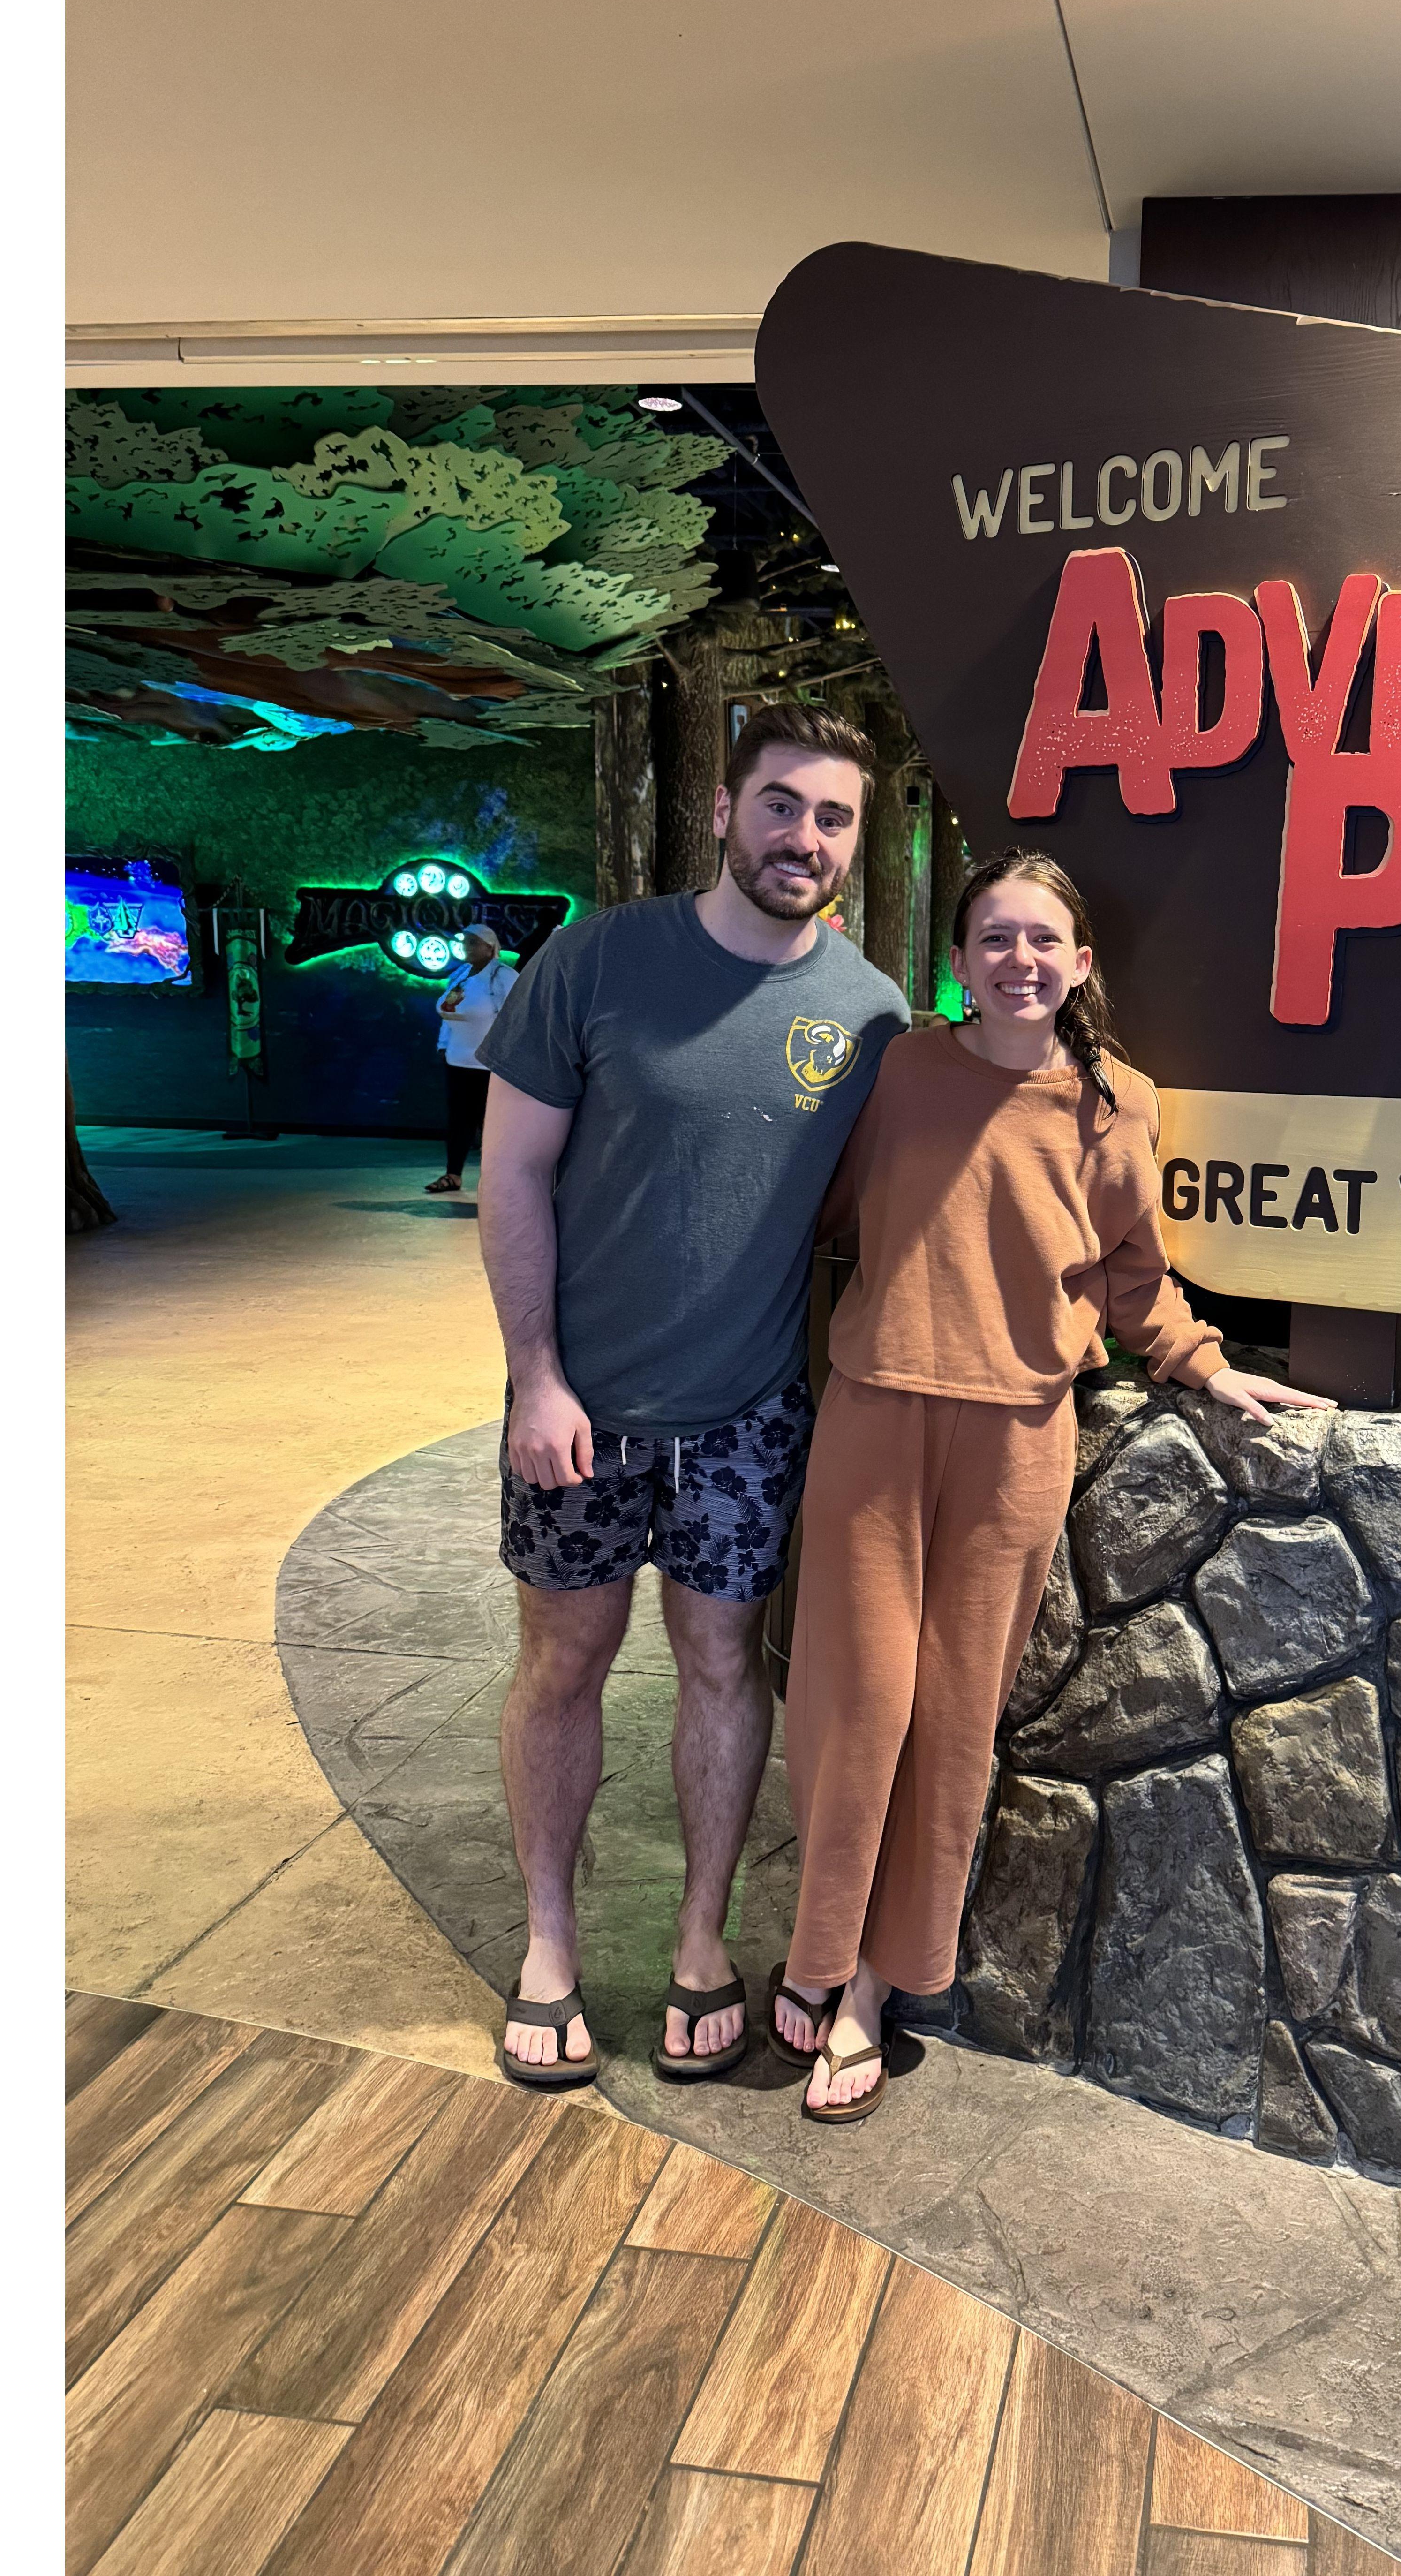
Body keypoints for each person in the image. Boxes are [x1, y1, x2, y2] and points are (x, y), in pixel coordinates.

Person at [771, 847, 1331, 2121]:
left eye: (1042, 940)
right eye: (994, 939)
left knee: (955, 1717)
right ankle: (820, 1948)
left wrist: (1202, 1363)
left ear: (1079, 964)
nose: (1018, 960)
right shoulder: (901, 1071)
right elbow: (818, 1208)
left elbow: (1131, 1269)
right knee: (857, 1701)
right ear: (960, 964)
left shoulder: (1119, 1103)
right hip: (876, 1413)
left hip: (1019, 1433)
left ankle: (874, 1990)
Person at [471, 704, 909, 2091]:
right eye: (780, 803)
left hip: (748, 1413)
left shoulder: (871, 1014)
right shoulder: (598, 960)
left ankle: (702, 1940)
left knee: (723, 1667)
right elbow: (511, 1176)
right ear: (722, 811)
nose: (804, 836)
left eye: (833, 816)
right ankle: (549, 1946)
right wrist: (537, 1378)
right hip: (581, 1407)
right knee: (564, 1663)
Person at [426, 923, 515, 1193]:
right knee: (458, 1121)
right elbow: (448, 1012)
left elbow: (517, 1018)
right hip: (457, 1061)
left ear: (490, 948)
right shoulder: (460, 975)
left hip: (489, 1064)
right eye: (465, 942)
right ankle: (453, 1175)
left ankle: (497, 1182)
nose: (467, 947)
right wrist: (444, 1045)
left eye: (473, 942)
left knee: (491, 1124)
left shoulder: (504, 977)